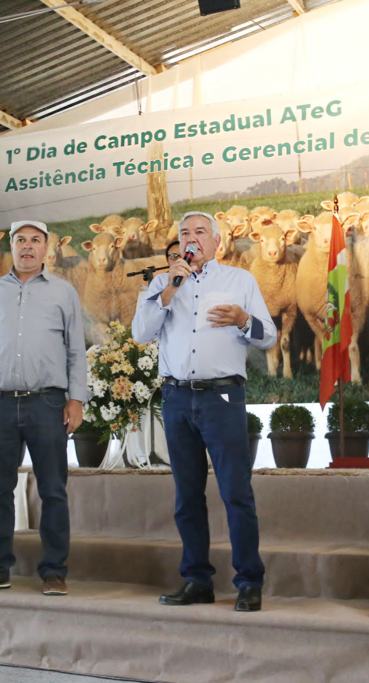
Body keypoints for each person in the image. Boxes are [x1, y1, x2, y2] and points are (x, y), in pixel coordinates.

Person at [132, 211, 277, 612]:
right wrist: (168, 292)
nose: (191, 239)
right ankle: (197, 580)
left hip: (222, 399)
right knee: (187, 496)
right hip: (177, 400)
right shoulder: (163, 282)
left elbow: (269, 337)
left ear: (217, 241)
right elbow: (140, 334)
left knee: (235, 492)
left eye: (199, 232)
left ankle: (249, 581)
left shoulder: (239, 281)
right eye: (184, 233)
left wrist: (243, 319)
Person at [0, 219, 87, 596]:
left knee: (52, 490)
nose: (27, 247)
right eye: (20, 240)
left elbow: (76, 351)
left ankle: (54, 572)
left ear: (47, 248)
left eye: (35, 240)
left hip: (48, 403)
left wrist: (76, 399)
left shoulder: (64, 293)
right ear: (11, 247)